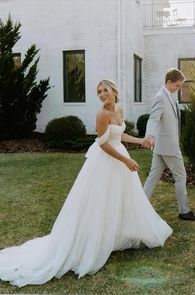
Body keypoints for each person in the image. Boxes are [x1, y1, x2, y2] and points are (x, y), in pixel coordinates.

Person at [0, 79, 172, 287]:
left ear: (114, 91)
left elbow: (119, 134)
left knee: (120, 199)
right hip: (105, 161)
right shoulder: (102, 114)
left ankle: (113, 236)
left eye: (105, 90)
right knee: (99, 201)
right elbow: (102, 144)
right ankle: (92, 241)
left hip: (119, 155)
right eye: (98, 91)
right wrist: (126, 160)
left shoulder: (119, 109)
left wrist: (141, 141)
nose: (101, 94)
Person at [143, 69, 195, 221]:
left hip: (162, 146)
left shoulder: (168, 96)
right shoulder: (161, 97)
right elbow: (153, 118)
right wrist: (149, 135)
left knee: (153, 176)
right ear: (169, 82)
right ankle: (184, 210)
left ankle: (140, 206)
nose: (178, 89)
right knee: (180, 175)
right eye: (177, 85)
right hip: (168, 147)